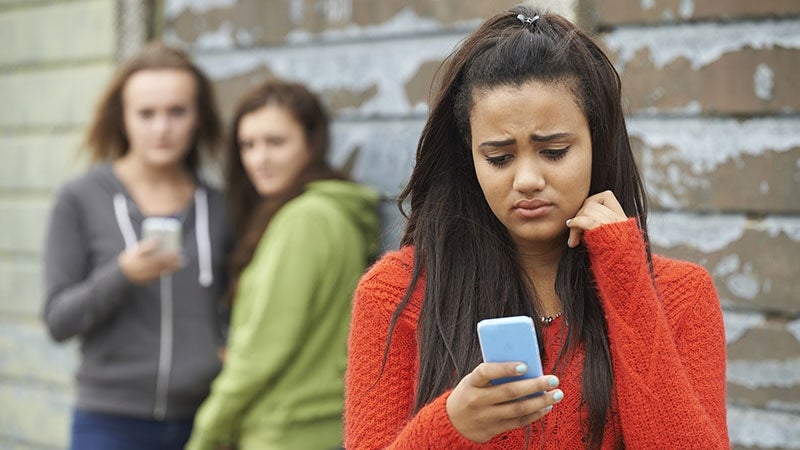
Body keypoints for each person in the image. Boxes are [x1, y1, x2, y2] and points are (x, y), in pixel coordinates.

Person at [344, 5, 729, 449]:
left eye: (554, 151)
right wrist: (451, 427)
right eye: (499, 158)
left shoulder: (680, 294)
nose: (527, 180)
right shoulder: (396, 296)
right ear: (469, 160)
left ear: (597, 144)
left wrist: (627, 283)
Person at [42, 42, 233, 450]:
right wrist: (122, 275)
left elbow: (237, 304)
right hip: (109, 422)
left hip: (203, 421)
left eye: (177, 112)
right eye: (146, 113)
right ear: (122, 118)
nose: (161, 128)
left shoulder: (219, 206)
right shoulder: (80, 198)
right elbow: (58, 319)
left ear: (198, 117)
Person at [185, 78, 381, 450]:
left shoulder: (303, 220)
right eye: (248, 145)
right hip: (320, 427)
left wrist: (205, 433)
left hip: (284, 431)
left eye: (275, 142)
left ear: (311, 142)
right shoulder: (334, 210)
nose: (259, 159)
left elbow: (262, 353)